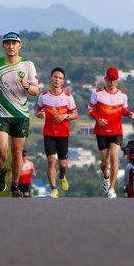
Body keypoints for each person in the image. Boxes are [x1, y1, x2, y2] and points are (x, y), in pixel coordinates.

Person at [0, 32, 39, 197]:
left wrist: (27, 86)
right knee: (1, 149)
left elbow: (36, 91)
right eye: (7, 43)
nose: (11, 46)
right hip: (1, 113)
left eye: (14, 43)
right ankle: (1, 171)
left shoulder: (28, 65)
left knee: (17, 151)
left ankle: (15, 186)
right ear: (3, 46)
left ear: (19, 46)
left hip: (21, 115)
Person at [88, 67, 134, 198]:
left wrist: (129, 114)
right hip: (102, 132)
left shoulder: (123, 95)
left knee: (114, 157)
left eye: (114, 79)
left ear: (117, 80)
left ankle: (112, 189)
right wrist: (98, 119)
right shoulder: (97, 93)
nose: (112, 82)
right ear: (105, 79)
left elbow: (124, 110)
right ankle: (106, 175)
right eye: (109, 79)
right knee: (104, 163)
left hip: (116, 131)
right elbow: (90, 108)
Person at [35, 67, 79, 198]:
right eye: (55, 77)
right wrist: (40, 114)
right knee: (50, 161)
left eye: (60, 78)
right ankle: (53, 188)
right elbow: (37, 111)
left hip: (63, 134)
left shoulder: (67, 97)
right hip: (49, 133)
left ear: (63, 81)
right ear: (51, 78)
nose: (57, 80)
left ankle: (61, 175)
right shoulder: (43, 96)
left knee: (63, 165)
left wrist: (64, 116)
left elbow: (75, 114)